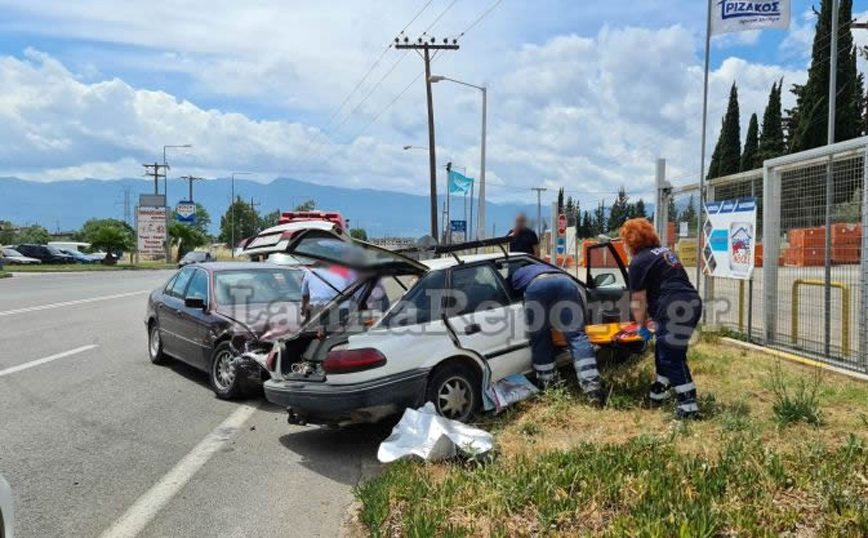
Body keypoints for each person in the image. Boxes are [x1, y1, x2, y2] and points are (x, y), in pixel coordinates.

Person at [619, 218, 702, 419]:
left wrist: (641, 325)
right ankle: (660, 389)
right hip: (691, 302)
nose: (624, 246)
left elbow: (638, 299)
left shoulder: (638, 262)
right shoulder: (665, 252)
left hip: (672, 308)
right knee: (666, 349)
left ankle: (688, 405)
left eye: (624, 242)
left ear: (632, 241)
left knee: (671, 356)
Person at [509, 261, 604, 404]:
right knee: (577, 336)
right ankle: (593, 388)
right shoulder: (540, 265)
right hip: (565, 282)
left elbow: (513, 296)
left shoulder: (514, 277)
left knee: (540, 337)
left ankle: (549, 384)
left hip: (536, 287)